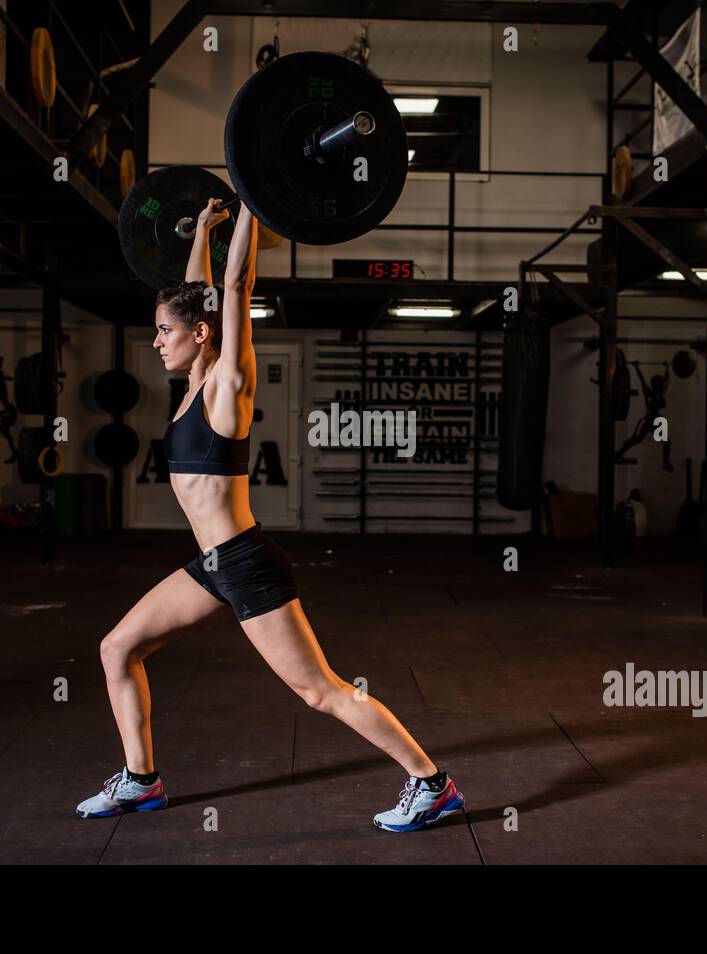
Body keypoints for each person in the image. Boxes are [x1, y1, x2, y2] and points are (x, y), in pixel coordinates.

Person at [77, 198, 464, 832]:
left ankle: (432, 784)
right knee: (118, 648)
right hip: (209, 567)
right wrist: (203, 230)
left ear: (200, 334)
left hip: (245, 564)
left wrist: (253, 202)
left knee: (320, 691)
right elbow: (204, 292)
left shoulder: (228, 386)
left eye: (164, 331)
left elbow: (232, 287)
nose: (155, 341)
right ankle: (141, 781)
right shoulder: (191, 389)